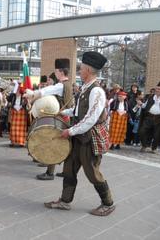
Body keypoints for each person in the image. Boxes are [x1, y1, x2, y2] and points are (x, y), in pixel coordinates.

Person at [44, 51, 115, 216]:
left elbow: (90, 119)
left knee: (93, 174)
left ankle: (108, 203)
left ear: (88, 70)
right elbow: (77, 111)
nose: (79, 71)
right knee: (69, 169)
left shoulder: (97, 91)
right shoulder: (85, 88)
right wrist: (61, 112)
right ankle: (65, 201)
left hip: (89, 140)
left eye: (81, 68)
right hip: (79, 137)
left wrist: (70, 131)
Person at [25, 58, 74, 180]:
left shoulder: (61, 85)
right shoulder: (68, 84)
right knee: (60, 145)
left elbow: (47, 90)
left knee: (54, 145)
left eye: (56, 71)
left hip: (61, 117)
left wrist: (32, 94)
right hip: (65, 118)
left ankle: (50, 173)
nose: (55, 73)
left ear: (60, 71)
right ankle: (64, 171)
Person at [139, 81, 160, 154]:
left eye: (159, 89)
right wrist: (141, 104)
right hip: (149, 117)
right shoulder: (150, 97)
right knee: (142, 131)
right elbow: (145, 106)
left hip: (159, 119)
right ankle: (145, 145)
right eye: (156, 89)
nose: (157, 90)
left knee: (157, 135)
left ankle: (154, 148)